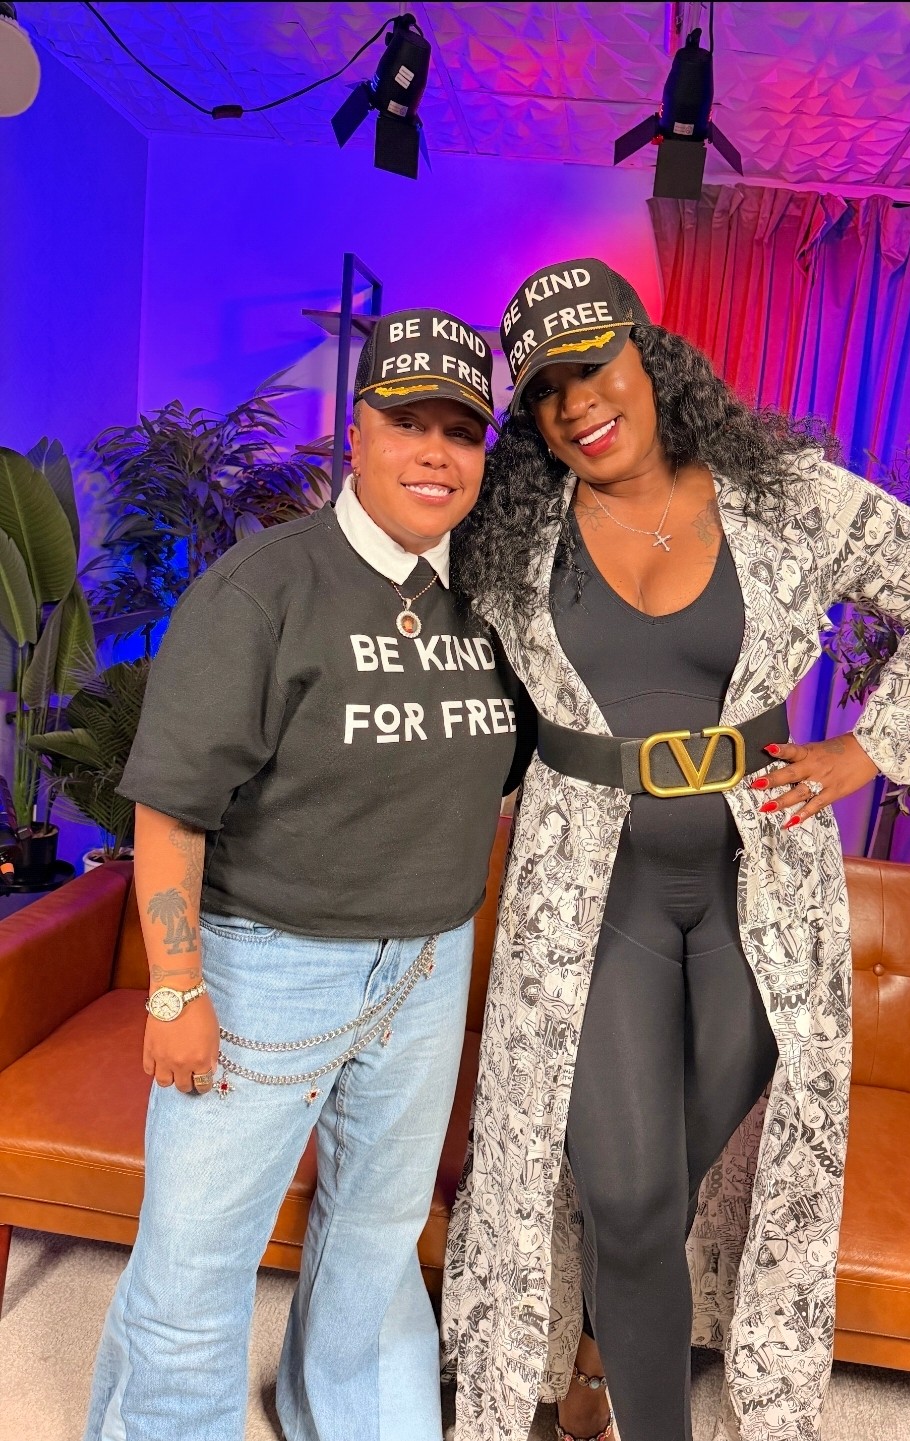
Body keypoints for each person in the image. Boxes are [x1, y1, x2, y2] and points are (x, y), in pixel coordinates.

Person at [442, 259, 910, 1441]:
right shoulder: (511, 531)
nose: (576, 403)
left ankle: (597, 1349)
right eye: (544, 392)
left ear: (648, 355)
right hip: (588, 902)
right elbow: (397, 605)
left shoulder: (781, 492)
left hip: (762, 893)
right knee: (633, 1197)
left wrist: (872, 747)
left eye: (593, 367)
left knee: (664, 1185)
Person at [83, 308, 533, 1441]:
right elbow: (170, 808)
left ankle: (349, 1418)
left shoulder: (486, 599)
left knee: (378, 1239)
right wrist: (176, 986)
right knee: (195, 1262)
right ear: (355, 435)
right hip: (264, 968)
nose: (435, 452)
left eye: (460, 431)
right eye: (407, 423)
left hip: (428, 964)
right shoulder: (263, 592)